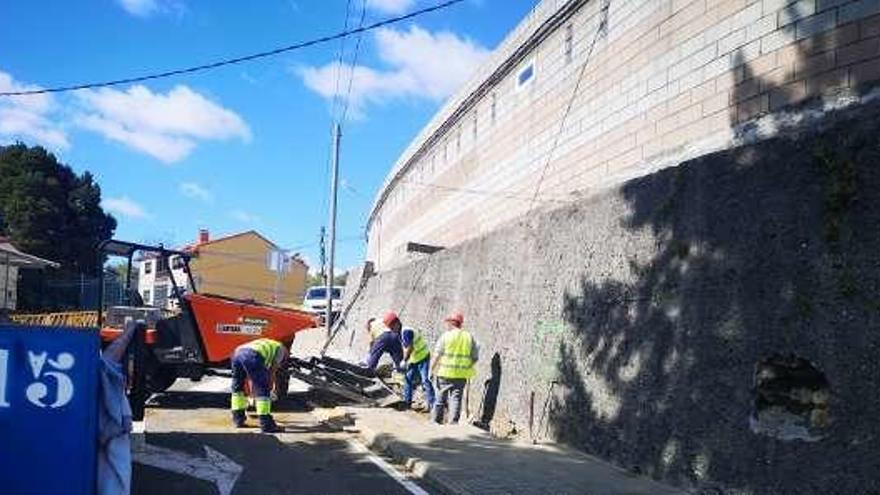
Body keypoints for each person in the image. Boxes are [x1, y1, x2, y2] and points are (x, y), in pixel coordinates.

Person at [230, 338, 288, 433]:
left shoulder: (268, 343)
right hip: (252, 355)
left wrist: (252, 393)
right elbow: (272, 371)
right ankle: (266, 424)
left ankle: (238, 419)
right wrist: (270, 388)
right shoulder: (281, 350)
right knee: (262, 388)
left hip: (237, 353)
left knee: (237, 388)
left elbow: (250, 377)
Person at [430, 312, 478, 424]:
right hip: (461, 375)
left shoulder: (446, 336)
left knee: (440, 397)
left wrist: (431, 370)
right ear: (460, 324)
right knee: (456, 398)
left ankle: (436, 422)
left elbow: (437, 355)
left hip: (445, 373)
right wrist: (467, 366)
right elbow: (475, 357)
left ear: (451, 323)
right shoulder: (468, 337)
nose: (446, 325)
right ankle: (453, 424)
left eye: (447, 323)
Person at [386, 313, 435, 411]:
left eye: (391, 327)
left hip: (423, 358)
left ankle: (433, 405)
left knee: (425, 380)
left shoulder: (406, 331)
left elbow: (410, 347)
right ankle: (407, 403)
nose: (391, 329)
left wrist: (404, 361)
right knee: (408, 379)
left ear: (397, 323)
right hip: (415, 359)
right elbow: (406, 348)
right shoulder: (400, 333)